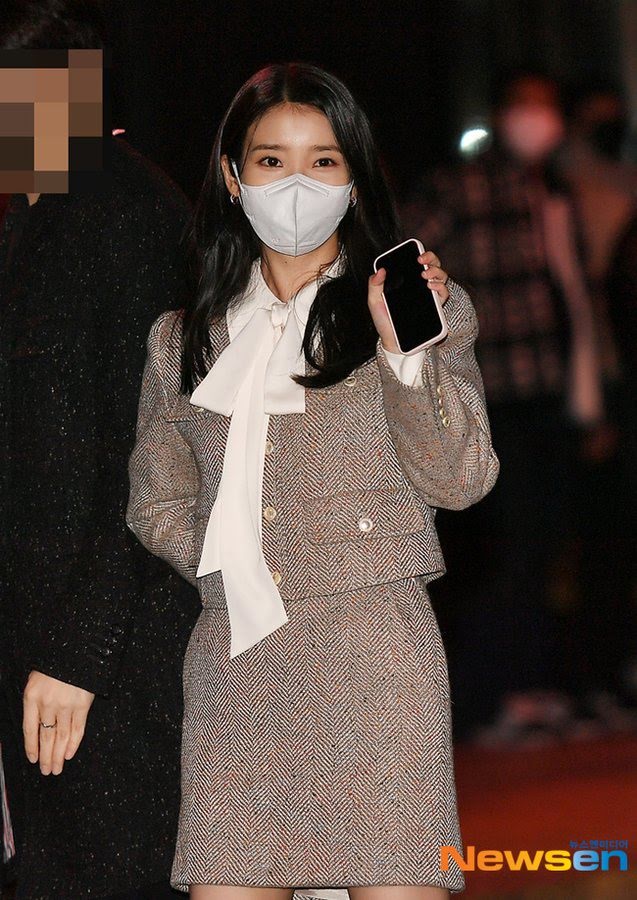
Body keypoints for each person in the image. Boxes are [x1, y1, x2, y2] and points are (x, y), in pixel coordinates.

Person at [127, 62, 499, 900]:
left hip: (374, 654)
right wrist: (231, 561)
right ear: (233, 178)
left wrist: (403, 353)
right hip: (235, 665)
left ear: (354, 179)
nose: (296, 183)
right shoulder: (179, 338)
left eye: (323, 160)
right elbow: (155, 499)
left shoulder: (419, 308)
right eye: (271, 160)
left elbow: (462, 479)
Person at [0, 2, 201, 897]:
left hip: (112, 667)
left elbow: (153, 455)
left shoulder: (124, 214)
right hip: (50, 647)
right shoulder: (39, 211)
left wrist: (79, 651)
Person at [401, 71, 608, 744]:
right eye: (523, 106)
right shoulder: (458, 186)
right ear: (499, 114)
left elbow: (573, 295)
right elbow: (402, 261)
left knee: (545, 546)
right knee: (501, 551)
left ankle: (532, 685)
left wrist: (590, 398)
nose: (536, 120)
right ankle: (485, 697)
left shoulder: (549, 189)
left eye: (546, 107)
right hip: (488, 396)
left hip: (548, 390)